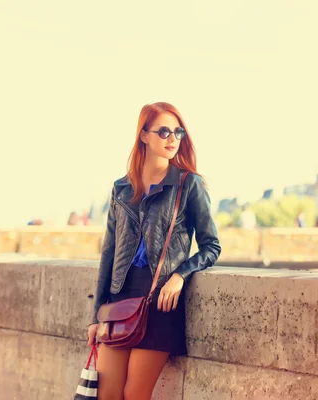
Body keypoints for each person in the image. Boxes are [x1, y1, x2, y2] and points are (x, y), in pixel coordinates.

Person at [86, 102, 221, 400]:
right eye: (163, 131)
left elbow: (212, 246)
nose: (172, 138)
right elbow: (108, 255)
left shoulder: (189, 184)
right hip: (120, 298)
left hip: (160, 301)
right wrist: (96, 316)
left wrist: (181, 275)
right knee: (107, 394)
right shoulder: (121, 188)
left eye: (178, 131)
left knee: (135, 394)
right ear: (144, 135)